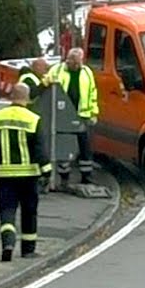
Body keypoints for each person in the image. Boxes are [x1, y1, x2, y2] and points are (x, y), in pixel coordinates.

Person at [0, 82, 51, 262]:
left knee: (7, 210)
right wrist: (46, 172)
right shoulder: (33, 119)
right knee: (29, 211)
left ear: (11, 97)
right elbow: (40, 150)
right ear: (27, 99)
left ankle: (8, 243)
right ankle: (28, 250)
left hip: (5, 175)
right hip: (29, 175)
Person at [48, 47, 98, 186]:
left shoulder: (87, 72)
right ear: (67, 60)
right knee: (64, 146)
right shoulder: (57, 71)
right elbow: (47, 87)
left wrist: (93, 113)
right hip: (63, 116)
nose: (76, 65)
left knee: (85, 147)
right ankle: (64, 177)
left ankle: (86, 176)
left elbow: (93, 93)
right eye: (73, 62)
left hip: (82, 115)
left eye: (78, 62)